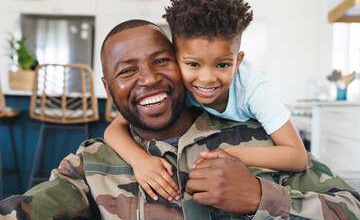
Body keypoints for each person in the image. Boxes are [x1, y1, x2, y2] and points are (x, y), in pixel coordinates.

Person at [0, 20, 359, 219]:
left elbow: (351, 207)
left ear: (181, 65)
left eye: (161, 61)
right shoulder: (90, 163)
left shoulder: (260, 138)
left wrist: (260, 196)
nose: (149, 79)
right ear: (109, 91)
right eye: (128, 71)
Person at [104, 0, 308, 202]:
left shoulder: (253, 89)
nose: (207, 78)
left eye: (222, 64)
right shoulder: (177, 84)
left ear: (237, 62)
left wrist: (232, 154)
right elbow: (114, 128)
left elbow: (297, 156)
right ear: (175, 57)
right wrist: (139, 161)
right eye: (193, 64)